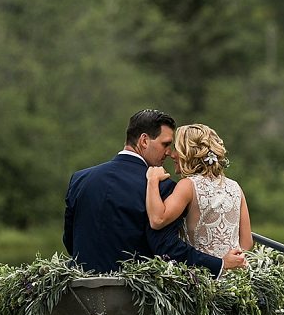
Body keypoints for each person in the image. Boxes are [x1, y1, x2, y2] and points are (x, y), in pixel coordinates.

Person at [63, 110, 246, 278]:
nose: (169, 152)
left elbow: (70, 242)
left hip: (81, 292)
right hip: (133, 298)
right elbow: (167, 249)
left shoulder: (80, 179)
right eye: (165, 144)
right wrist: (219, 264)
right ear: (144, 141)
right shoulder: (161, 187)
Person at [146, 124, 253, 258]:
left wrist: (152, 180)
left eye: (176, 149)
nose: (172, 155)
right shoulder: (235, 187)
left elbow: (157, 220)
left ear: (188, 153)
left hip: (205, 275)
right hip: (237, 274)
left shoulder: (188, 185)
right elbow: (246, 243)